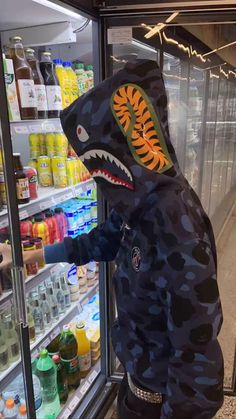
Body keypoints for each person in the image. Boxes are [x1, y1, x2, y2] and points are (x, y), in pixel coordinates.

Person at [0, 60, 224, 418]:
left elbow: (197, 354)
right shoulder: (138, 203)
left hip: (160, 404)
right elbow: (98, 243)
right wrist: (28, 254)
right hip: (135, 388)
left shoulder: (173, 221)